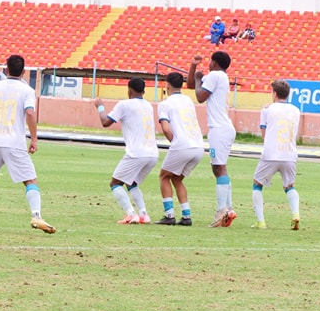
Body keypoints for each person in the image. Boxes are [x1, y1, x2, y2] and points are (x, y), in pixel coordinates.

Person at [0, 54, 55, 234]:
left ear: (5, 69)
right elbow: (29, 113)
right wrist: (34, 138)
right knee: (30, 179)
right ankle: (36, 216)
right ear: (23, 71)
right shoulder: (27, 91)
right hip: (13, 142)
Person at [92, 77, 159, 224]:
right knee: (132, 183)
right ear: (144, 91)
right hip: (153, 153)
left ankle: (131, 214)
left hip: (137, 153)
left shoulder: (124, 104)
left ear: (129, 90)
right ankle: (143, 215)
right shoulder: (148, 105)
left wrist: (100, 107)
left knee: (115, 183)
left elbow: (105, 122)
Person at [188, 51, 237, 227]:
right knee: (220, 168)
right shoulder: (221, 76)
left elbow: (200, 97)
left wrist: (200, 79)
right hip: (224, 127)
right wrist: (194, 69)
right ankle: (228, 209)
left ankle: (221, 210)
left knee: (218, 168)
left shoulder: (215, 75)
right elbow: (191, 86)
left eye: (210, 61)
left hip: (219, 128)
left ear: (214, 63)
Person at [251, 79, 301, 230]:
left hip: (271, 154)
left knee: (257, 184)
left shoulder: (267, 109)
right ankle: (295, 214)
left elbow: (264, 134)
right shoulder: (296, 110)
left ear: (274, 93)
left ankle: (261, 221)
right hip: (290, 154)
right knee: (289, 186)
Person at [155, 72, 204, 226]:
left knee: (163, 176)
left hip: (182, 145)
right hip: (198, 146)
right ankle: (186, 215)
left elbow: (166, 128)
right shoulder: (188, 100)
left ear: (167, 85)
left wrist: (174, 143)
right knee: (176, 179)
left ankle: (169, 215)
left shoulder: (165, 104)